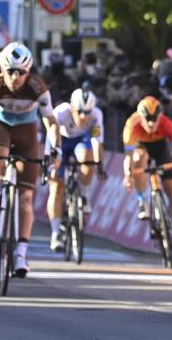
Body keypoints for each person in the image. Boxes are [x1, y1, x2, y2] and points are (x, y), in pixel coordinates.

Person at [0, 42, 61, 277]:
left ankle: (21, 253)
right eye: (10, 70)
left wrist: (55, 149)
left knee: (25, 197)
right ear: (3, 69)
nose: (15, 76)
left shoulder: (37, 87)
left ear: (28, 71)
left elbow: (50, 121)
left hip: (25, 131)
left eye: (21, 72)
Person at [121, 96, 172, 253]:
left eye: (154, 119)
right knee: (139, 159)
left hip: (161, 148)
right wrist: (127, 175)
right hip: (141, 147)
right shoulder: (132, 125)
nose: (151, 123)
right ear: (140, 117)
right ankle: (142, 200)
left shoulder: (167, 124)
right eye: (147, 119)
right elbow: (128, 157)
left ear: (160, 116)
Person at [48, 88, 105, 252]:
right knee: (56, 186)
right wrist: (51, 161)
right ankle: (55, 232)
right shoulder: (60, 113)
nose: (83, 116)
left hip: (81, 141)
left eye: (87, 112)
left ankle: (84, 194)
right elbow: (50, 140)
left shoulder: (96, 115)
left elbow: (97, 142)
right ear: (72, 107)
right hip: (61, 141)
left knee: (88, 159)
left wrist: (98, 165)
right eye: (79, 112)